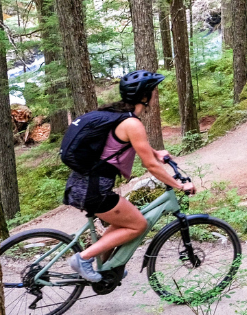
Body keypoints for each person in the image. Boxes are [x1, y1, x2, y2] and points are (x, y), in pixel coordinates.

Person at [65, 70, 194, 283]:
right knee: (138, 224)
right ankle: (83, 259)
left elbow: (118, 144)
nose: (155, 95)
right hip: (95, 189)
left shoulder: (119, 115)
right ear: (144, 96)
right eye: (153, 91)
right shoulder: (132, 123)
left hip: (83, 183)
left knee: (124, 222)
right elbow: (150, 166)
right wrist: (179, 186)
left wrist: (155, 152)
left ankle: (107, 268)